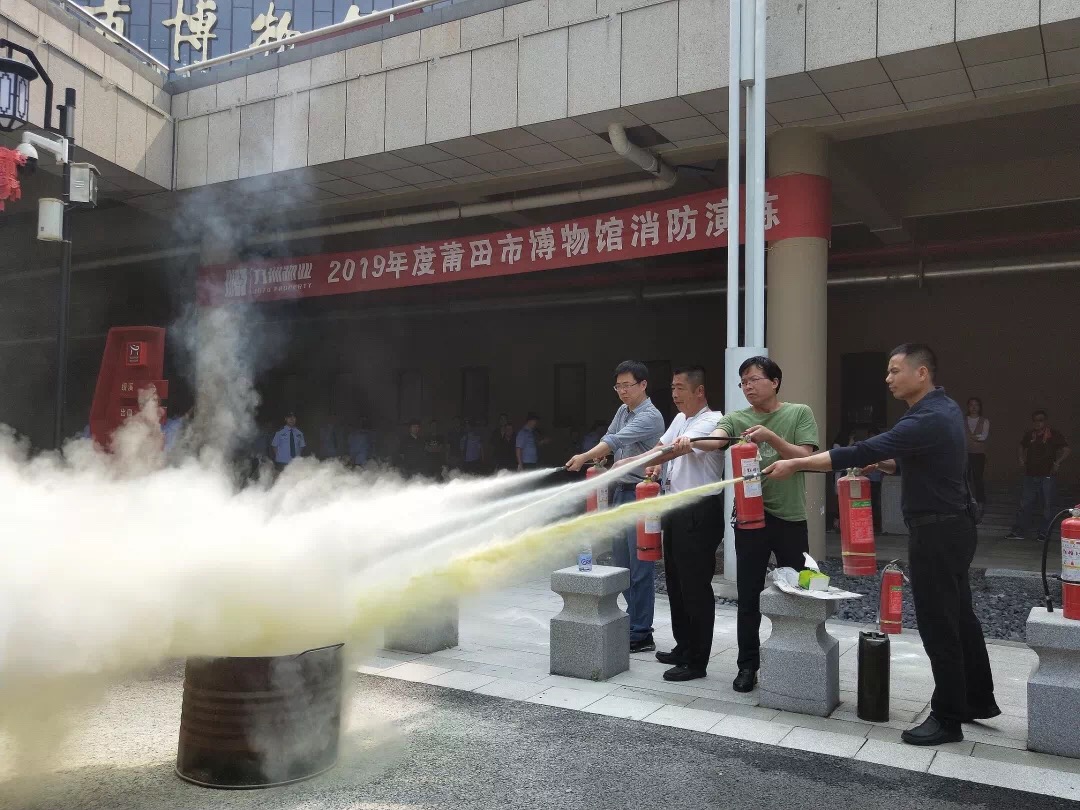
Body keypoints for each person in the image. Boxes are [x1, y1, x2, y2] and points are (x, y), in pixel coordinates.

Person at [764, 344, 998, 747]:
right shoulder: (943, 409)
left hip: (938, 531)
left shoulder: (927, 416)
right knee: (960, 616)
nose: (887, 379)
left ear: (921, 372)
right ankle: (974, 699)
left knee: (939, 623)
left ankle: (947, 718)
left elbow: (863, 449)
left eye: (895, 371)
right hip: (953, 526)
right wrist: (891, 464)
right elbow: (924, 459)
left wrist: (798, 464)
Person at [677, 356, 819, 694]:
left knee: (800, 591)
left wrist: (770, 437)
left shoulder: (799, 413)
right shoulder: (736, 418)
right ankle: (747, 666)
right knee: (749, 596)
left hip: (790, 518)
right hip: (750, 520)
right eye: (743, 382)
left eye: (754, 379)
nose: (748, 387)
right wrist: (691, 442)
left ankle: (798, 660)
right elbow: (716, 439)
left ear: (775, 382)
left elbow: (804, 457)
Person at [616, 366, 724, 681]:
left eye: (680, 387)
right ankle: (683, 646)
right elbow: (661, 451)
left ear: (699, 391)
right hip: (674, 508)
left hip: (699, 509)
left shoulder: (712, 420)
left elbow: (706, 444)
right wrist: (631, 462)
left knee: (695, 586)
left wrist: (684, 444)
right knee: (675, 581)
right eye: (672, 387)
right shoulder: (679, 419)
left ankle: (697, 660)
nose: (674, 394)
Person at [566, 361, 666, 653]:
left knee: (640, 567)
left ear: (643, 385)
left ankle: (641, 631)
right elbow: (609, 437)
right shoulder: (623, 411)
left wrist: (584, 456)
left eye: (628, 386)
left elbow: (614, 440)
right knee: (620, 566)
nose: (622, 392)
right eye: (618, 386)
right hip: (621, 492)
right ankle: (631, 623)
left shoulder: (650, 416)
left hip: (642, 495)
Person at [1005, 410, 1070, 542]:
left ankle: (1044, 533)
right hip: (1030, 474)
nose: (1038, 423)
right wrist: (1021, 459)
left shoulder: (1053, 434)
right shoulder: (1030, 434)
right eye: (1035, 420)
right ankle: (1019, 531)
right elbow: (1021, 446)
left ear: (1045, 422)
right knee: (1025, 503)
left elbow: (1067, 449)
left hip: (1047, 475)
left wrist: (1058, 462)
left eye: (1040, 420)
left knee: (1047, 504)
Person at [965, 398, 989, 510]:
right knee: (965, 479)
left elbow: (983, 436)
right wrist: (974, 437)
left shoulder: (984, 421)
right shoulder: (963, 420)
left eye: (976, 405)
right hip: (965, 454)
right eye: (971, 405)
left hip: (978, 454)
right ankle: (966, 502)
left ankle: (980, 503)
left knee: (978, 478)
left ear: (980, 407)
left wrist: (970, 437)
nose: (974, 407)